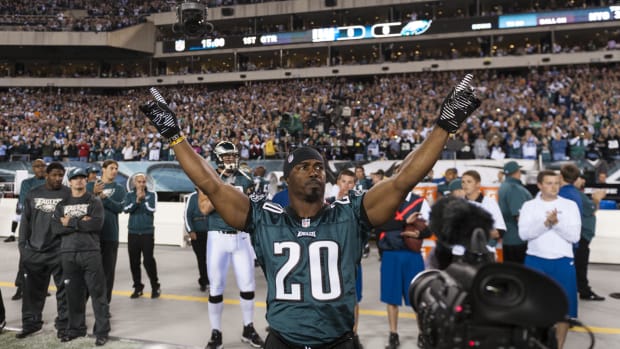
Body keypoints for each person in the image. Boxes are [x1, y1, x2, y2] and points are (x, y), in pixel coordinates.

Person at [139, 74, 480, 348]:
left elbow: (402, 179)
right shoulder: (264, 216)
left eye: (319, 165)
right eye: (305, 166)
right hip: (283, 340)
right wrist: (174, 136)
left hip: (340, 340)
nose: (315, 170)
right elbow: (212, 184)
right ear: (287, 177)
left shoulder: (349, 214)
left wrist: (444, 127)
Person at [201, 141, 264, 349]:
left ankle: (248, 328)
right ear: (218, 158)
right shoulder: (209, 178)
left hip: (241, 236)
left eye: (233, 155)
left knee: (248, 285)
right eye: (227, 156)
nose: (230, 159)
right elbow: (204, 208)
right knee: (216, 287)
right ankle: (215, 332)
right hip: (217, 237)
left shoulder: (245, 178)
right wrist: (221, 187)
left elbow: (255, 207)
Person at [518, 170, 580, 349]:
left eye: (556, 183)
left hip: (563, 261)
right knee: (534, 309)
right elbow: (524, 234)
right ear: (539, 185)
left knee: (565, 311)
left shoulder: (570, 206)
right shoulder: (529, 206)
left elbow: (575, 237)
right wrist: (545, 223)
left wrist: (556, 223)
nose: (554, 187)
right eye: (549, 183)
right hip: (535, 260)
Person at [52, 167, 109, 346]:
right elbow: (56, 228)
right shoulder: (61, 204)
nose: (79, 181)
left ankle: (101, 331)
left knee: (97, 294)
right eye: (75, 178)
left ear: (86, 181)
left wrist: (71, 222)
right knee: (73, 294)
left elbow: (97, 224)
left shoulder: (94, 201)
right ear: (69, 182)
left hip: (90, 252)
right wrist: (82, 221)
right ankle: (76, 329)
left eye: (82, 178)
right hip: (68, 254)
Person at [15, 162, 70, 339]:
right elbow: (25, 222)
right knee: (31, 293)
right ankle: (31, 324)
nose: (58, 178)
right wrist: (23, 247)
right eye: (54, 175)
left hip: (59, 251)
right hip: (35, 251)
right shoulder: (33, 193)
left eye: (61, 175)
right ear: (47, 175)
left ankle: (63, 324)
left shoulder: (68, 194)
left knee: (65, 291)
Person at [376, 188, 431, 349]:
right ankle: (393, 334)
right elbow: (380, 225)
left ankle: (423, 334)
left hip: (412, 254)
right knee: (391, 298)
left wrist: (419, 235)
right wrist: (404, 222)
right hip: (391, 254)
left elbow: (429, 228)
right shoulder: (385, 198)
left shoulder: (419, 202)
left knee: (417, 298)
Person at [86, 160, 126, 305]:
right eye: (111, 168)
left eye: (116, 168)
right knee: (88, 272)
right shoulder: (90, 186)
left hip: (110, 236)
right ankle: (81, 306)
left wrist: (103, 197)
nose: (114, 171)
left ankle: (103, 305)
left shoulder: (119, 189)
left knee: (107, 274)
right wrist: (93, 194)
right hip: (90, 236)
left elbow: (119, 208)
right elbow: (82, 205)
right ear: (103, 169)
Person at [7, 158, 47, 301]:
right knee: (25, 256)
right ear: (33, 168)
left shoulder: (50, 183)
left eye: (42, 166)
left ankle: (41, 287)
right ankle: (21, 287)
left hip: (45, 226)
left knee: (43, 258)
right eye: (37, 166)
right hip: (29, 225)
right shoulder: (27, 183)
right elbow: (24, 201)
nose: (40, 168)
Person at [122, 173, 161, 299]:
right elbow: (126, 209)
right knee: (134, 262)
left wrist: (142, 201)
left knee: (148, 261)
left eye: (143, 181)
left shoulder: (152, 194)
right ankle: (138, 287)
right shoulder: (129, 195)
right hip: (133, 232)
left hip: (147, 233)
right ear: (134, 183)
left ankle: (155, 286)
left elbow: (152, 210)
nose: (142, 184)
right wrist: (136, 201)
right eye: (139, 181)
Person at [574, 173, 607, 301]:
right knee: (580, 264)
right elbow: (591, 208)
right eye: (580, 178)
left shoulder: (577, 193)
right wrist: (597, 198)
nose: (582, 181)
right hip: (581, 236)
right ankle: (584, 290)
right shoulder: (576, 194)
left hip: (582, 236)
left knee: (580, 264)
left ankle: (581, 288)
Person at [498, 161, 532, 264]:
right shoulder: (514, 188)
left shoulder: (504, 186)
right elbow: (519, 216)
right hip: (518, 240)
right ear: (518, 172)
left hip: (509, 238)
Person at [460, 170, 506, 242]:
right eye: (463, 182)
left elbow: (500, 231)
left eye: (469, 181)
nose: (465, 185)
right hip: (461, 251)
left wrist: (477, 234)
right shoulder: (458, 204)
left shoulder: (489, 202)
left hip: (483, 250)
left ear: (478, 184)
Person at [183, 187, 210, 292]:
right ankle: (204, 281)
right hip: (197, 233)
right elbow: (187, 215)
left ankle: (214, 281)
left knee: (212, 259)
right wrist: (190, 231)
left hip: (211, 232)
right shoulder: (192, 197)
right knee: (201, 258)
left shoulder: (211, 195)